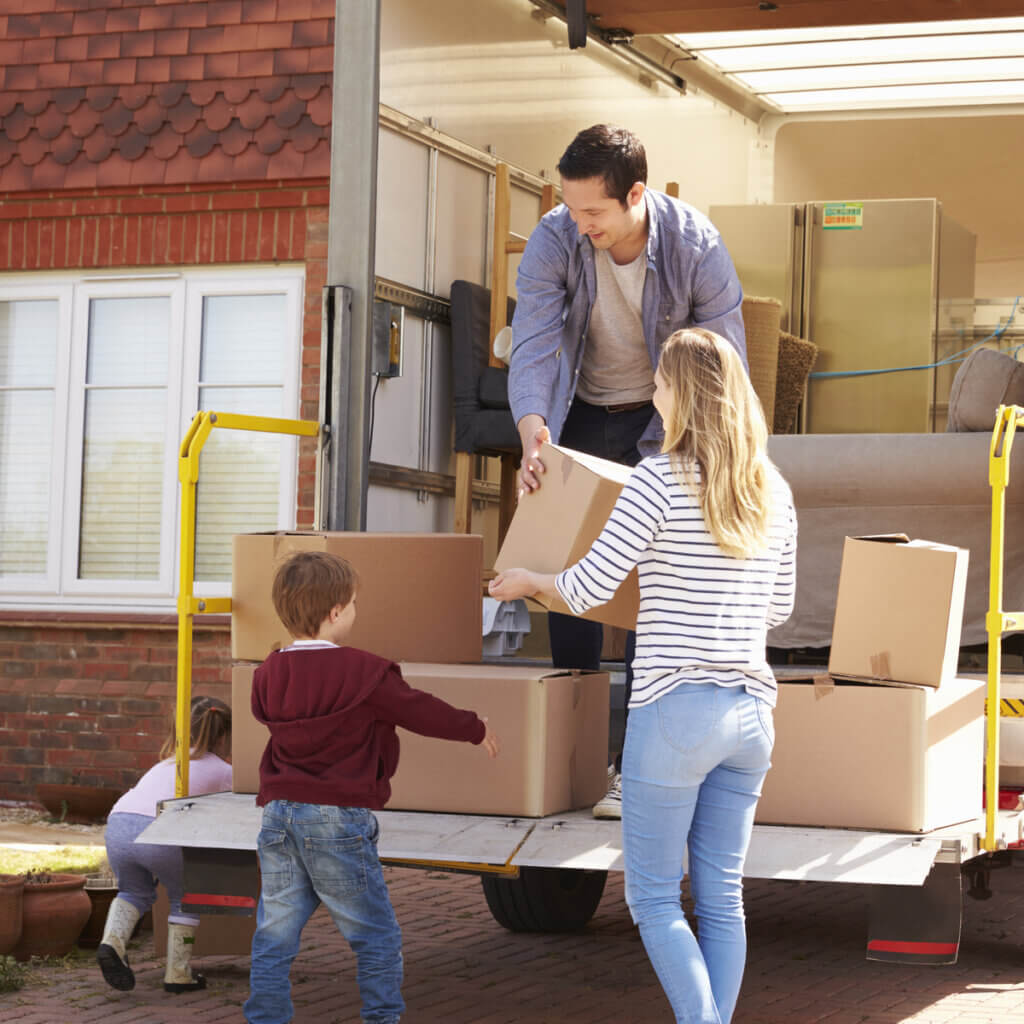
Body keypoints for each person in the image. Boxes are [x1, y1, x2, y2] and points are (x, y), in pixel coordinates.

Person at [490, 328, 796, 1024]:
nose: (652, 394)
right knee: (721, 895)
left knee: (654, 899)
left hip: (675, 709)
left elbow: (592, 585)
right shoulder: (773, 490)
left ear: (682, 394)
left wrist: (529, 581)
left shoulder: (657, 480)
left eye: (659, 382)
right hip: (751, 713)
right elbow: (778, 607)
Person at [507, 123, 747, 819]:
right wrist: (532, 432)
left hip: (665, 419)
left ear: (636, 195)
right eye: (571, 208)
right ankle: (574, 760)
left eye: (594, 214)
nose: (579, 225)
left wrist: (697, 458)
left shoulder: (695, 244)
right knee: (569, 573)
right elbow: (535, 343)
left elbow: (722, 361)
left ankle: (637, 770)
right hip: (578, 411)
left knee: (654, 584)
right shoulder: (557, 237)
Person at [243, 550, 500, 1024]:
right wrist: (474, 727)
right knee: (375, 935)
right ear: (336, 611)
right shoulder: (365, 673)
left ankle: (265, 1018)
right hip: (337, 818)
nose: (356, 612)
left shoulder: (268, 671)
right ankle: (382, 1018)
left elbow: (267, 714)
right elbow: (419, 710)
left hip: (278, 814)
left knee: (274, 933)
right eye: (355, 603)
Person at [97, 694, 233, 994]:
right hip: (159, 829)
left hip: (119, 824)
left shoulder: (167, 763)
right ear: (223, 735)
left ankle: (112, 943)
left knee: (133, 891)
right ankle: (178, 973)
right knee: (186, 896)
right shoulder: (224, 771)